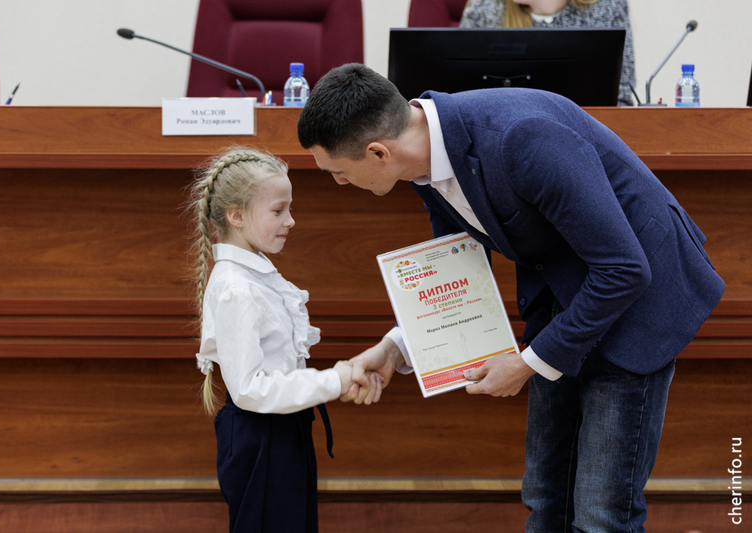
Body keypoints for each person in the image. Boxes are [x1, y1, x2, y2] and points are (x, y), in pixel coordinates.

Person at [296, 64, 724, 532]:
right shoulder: (422, 159)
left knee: (601, 516)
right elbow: (458, 268)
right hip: (565, 292)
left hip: (639, 297)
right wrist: (396, 347)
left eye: (338, 172)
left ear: (378, 152)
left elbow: (625, 269)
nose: (339, 183)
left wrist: (525, 365)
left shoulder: (520, 137)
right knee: (546, 499)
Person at [191, 147, 380, 533]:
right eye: (278, 211)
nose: (290, 220)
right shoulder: (236, 288)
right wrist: (335, 380)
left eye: (289, 209)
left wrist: (338, 380)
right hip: (262, 439)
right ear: (236, 216)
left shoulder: (257, 275)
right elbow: (249, 389)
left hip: (284, 431)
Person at [460, 0, 637, 106]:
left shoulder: (608, 6)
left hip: (583, 136)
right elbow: (460, 99)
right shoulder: (483, 8)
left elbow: (621, 96)